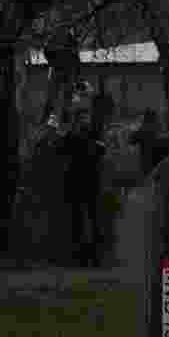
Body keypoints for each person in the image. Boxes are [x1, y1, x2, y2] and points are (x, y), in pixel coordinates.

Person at [58, 108, 107, 266]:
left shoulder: (91, 134)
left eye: (84, 118)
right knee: (79, 220)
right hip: (78, 182)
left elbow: (101, 150)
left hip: (89, 181)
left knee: (91, 220)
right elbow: (62, 151)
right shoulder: (73, 136)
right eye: (80, 119)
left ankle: (93, 256)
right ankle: (80, 255)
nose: (83, 121)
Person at [130, 109, 161, 178]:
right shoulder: (158, 128)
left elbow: (132, 140)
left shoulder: (143, 129)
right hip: (158, 159)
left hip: (147, 160)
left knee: (149, 178)